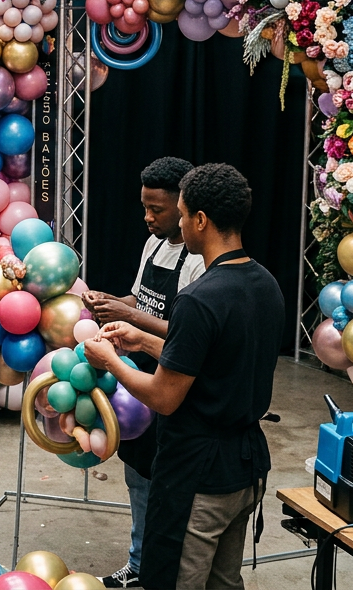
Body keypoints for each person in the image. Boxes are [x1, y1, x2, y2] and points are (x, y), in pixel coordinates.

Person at [85, 164, 282, 590]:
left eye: (181, 211)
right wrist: (143, 340)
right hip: (246, 468)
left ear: (200, 220)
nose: (177, 221)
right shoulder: (266, 284)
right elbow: (214, 364)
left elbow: (164, 396)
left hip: (199, 476)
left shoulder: (198, 298)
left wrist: (111, 361)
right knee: (224, 582)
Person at [84, 157, 206, 589]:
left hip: (172, 381)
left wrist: (130, 318)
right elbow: (140, 299)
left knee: (166, 482)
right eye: (144, 207)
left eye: (157, 209)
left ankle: (162, 567)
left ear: (184, 207)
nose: (148, 217)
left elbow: (188, 332)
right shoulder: (153, 245)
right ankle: (139, 562)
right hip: (136, 379)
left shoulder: (198, 262)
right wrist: (108, 302)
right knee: (136, 470)